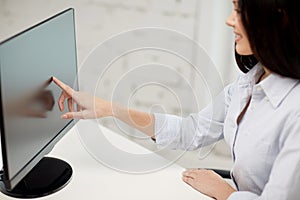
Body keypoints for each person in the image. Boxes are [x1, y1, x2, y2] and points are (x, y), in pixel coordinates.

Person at [52, 0, 300, 199]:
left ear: (278, 18)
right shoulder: (249, 82)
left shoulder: (295, 112)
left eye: (239, 11)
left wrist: (225, 192)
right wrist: (108, 108)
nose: (229, 20)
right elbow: (191, 131)